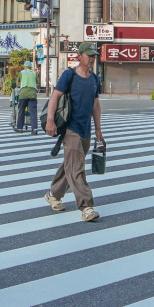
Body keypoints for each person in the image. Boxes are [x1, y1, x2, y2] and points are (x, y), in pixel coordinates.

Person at [46, 50, 105, 222]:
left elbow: (96, 105)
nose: (92, 59)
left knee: (71, 165)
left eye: (94, 56)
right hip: (70, 128)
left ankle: (53, 194)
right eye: (89, 55)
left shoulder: (94, 78)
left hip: (85, 129)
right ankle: (86, 207)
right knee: (77, 167)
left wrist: (98, 129)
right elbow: (55, 97)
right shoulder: (69, 75)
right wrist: (50, 120)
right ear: (80, 56)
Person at [13, 59, 41, 133]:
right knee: (33, 111)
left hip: (24, 94)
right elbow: (37, 84)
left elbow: (18, 82)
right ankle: (34, 129)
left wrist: (19, 86)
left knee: (21, 110)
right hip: (33, 94)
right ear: (30, 67)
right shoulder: (34, 73)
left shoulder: (21, 72)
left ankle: (20, 128)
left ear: (25, 66)